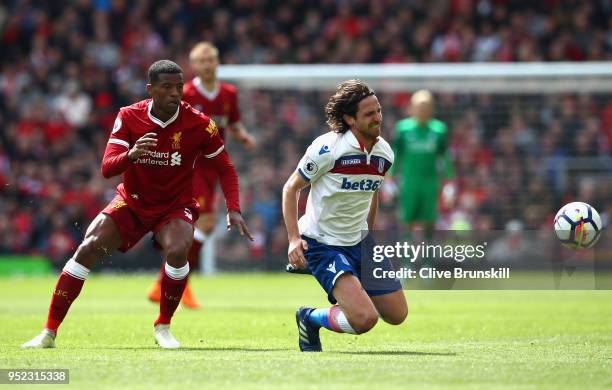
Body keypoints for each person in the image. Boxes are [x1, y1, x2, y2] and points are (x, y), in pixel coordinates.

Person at [22, 60, 252, 350]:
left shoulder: (200, 123)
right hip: (132, 204)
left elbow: (226, 168)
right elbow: (107, 168)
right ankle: (48, 332)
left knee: (180, 249)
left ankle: (163, 326)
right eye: (167, 87)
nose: (175, 93)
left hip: (174, 206)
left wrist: (233, 208)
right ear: (150, 90)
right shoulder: (129, 116)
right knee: (87, 249)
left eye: (179, 87)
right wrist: (130, 155)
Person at [282, 79, 408, 352]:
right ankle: (310, 318)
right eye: (369, 114)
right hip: (322, 243)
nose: (378, 118)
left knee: (397, 314)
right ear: (350, 119)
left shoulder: (384, 153)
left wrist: (368, 237)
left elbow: (372, 192)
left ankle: (349, 298)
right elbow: (291, 188)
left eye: (378, 111)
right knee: (364, 320)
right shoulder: (328, 148)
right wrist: (294, 239)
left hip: (358, 241)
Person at [147, 42, 255, 309]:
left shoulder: (229, 93)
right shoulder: (186, 93)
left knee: (196, 227)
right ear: (193, 66)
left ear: (217, 62)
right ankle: (169, 283)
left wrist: (243, 137)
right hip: (189, 165)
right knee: (204, 224)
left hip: (213, 166)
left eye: (211, 60)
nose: (207, 65)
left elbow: (232, 123)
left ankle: (168, 283)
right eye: (202, 61)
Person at [390, 90, 455, 241]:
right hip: (409, 183)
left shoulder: (439, 130)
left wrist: (449, 183)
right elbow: (396, 155)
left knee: (429, 222)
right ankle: (406, 262)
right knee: (406, 221)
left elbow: (445, 157)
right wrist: (389, 178)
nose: (422, 110)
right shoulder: (403, 129)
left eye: (426, 107)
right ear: (411, 108)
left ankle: (428, 261)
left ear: (432, 109)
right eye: (419, 107)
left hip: (430, 184)